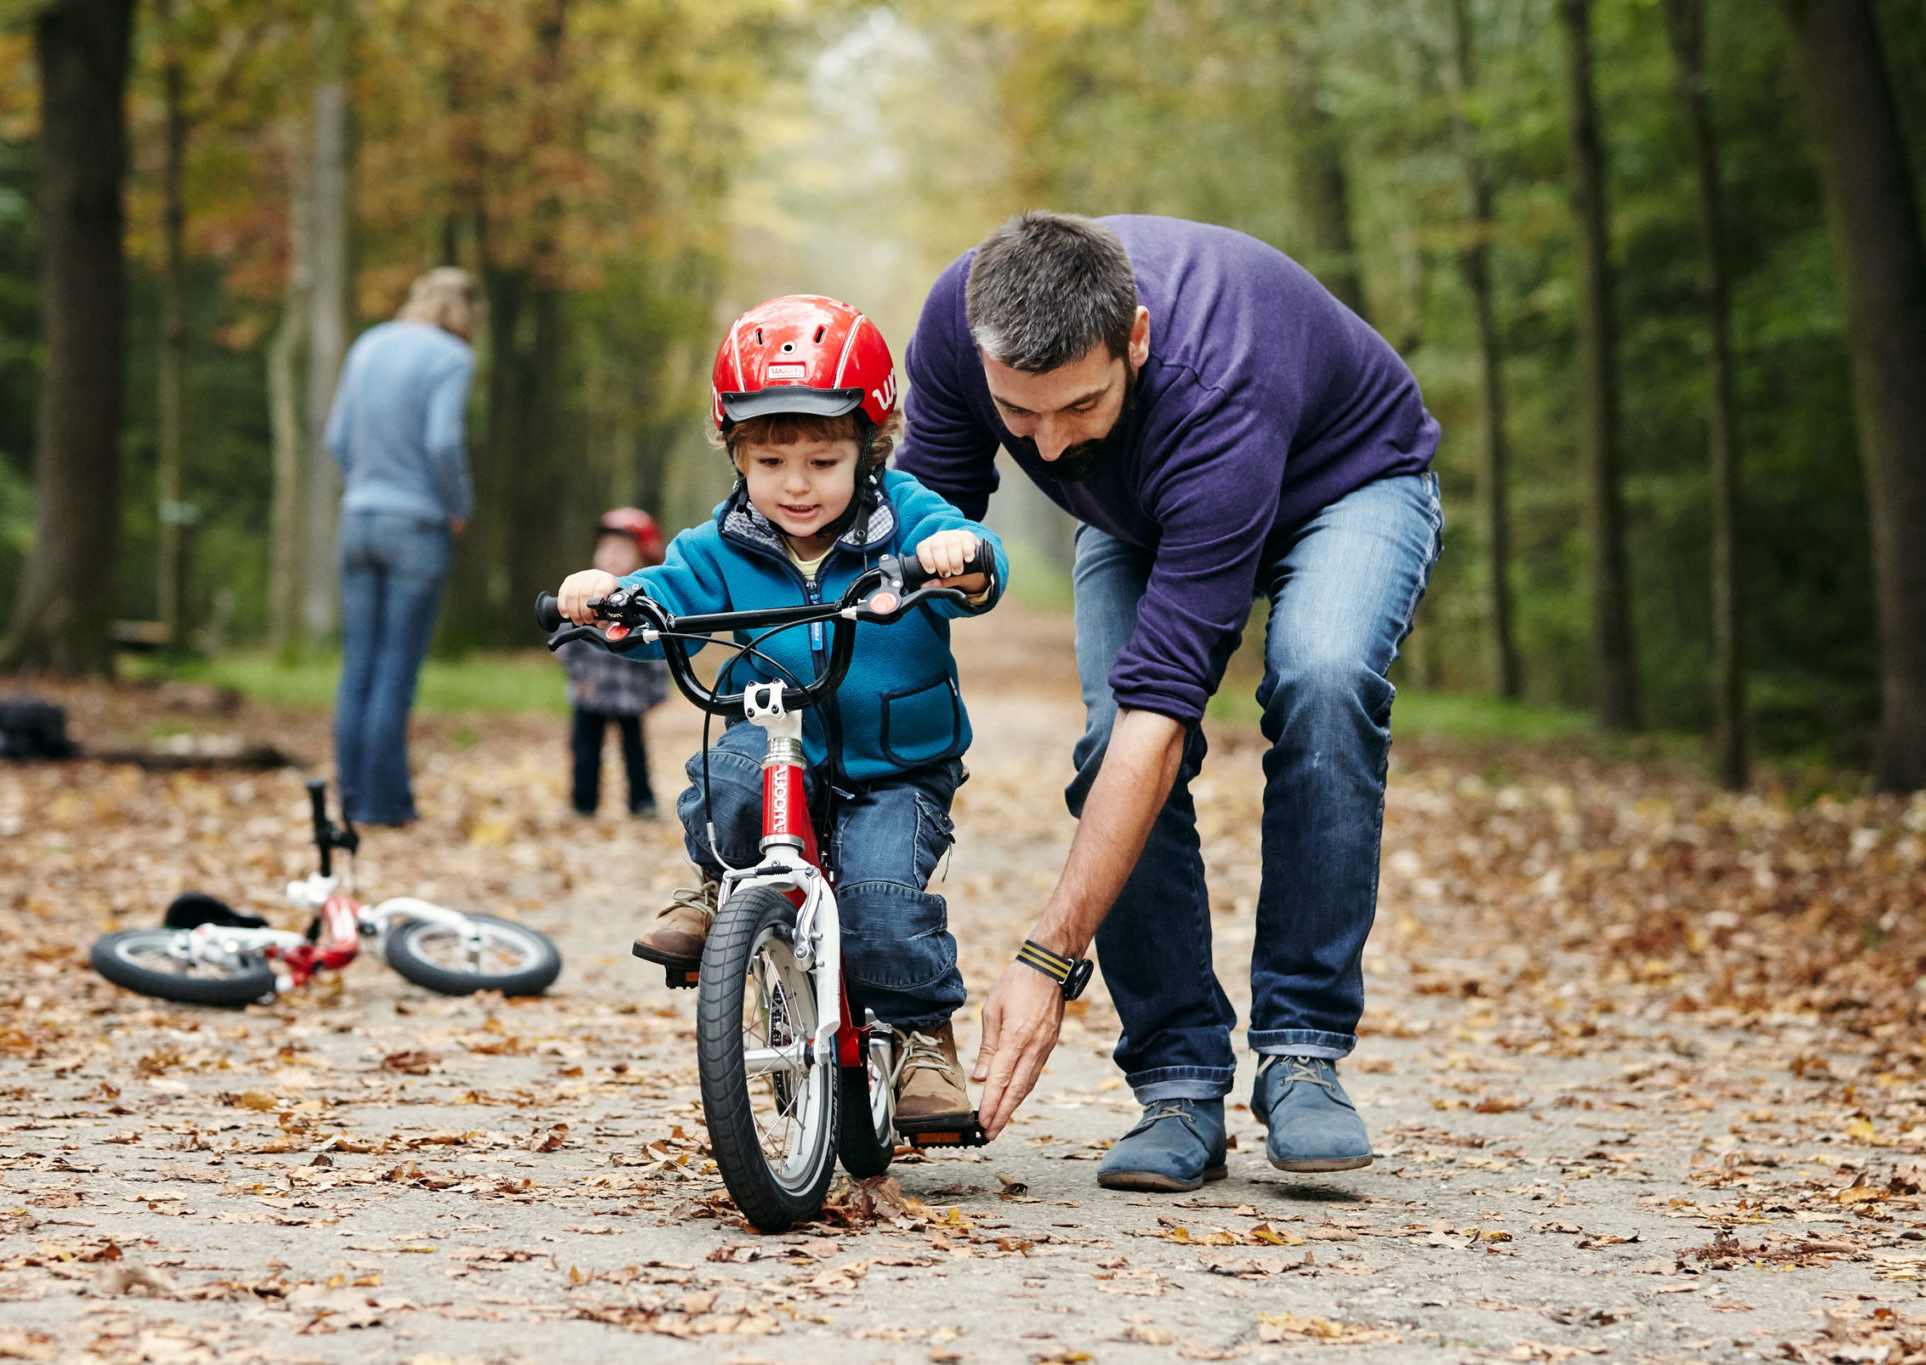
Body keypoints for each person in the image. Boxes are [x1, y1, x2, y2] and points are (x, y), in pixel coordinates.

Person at [893, 212, 1443, 1189]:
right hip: (1144, 511)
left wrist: (1046, 959)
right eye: (1020, 417)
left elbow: (1164, 718)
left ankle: (1302, 1053)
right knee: (1107, 736)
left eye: (1079, 406)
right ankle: (1178, 1082)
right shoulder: (953, 321)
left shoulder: (1214, 387)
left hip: (1345, 483)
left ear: (1134, 340)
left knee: (1318, 679)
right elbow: (915, 528)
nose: (1053, 445)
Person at [553, 295, 1009, 1131]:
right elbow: (662, 597)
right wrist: (611, 600)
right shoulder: (722, 541)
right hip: (775, 743)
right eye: (769, 462)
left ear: (870, 448)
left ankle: (920, 1037)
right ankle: (720, 886)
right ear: (735, 453)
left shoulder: (904, 514)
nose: (795, 486)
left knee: (880, 900)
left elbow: (980, 569)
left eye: (822, 461)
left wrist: (963, 560)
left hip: (891, 767)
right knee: (726, 765)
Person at [324, 267, 483, 827]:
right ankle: (383, 804)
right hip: (415, 526)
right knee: (395, 668)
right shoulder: (451, 357)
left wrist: (365, 486)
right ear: (467, 311)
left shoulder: (369, 344)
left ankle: (352, 799)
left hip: (357, 520)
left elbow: (337, 438)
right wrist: (456, 504)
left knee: (359, 666)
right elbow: (442, 441)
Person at [560, 508, 668, 820]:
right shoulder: (581, 596)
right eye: (604, 549)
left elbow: (659, 646)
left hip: (629, 694)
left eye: (621, 551)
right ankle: (583, 801)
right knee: (585, 749)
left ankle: (641, 800)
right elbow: (565, 640)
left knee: (634, 749)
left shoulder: (644, 602)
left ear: (643, 557)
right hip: (590, 689)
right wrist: (577, 673)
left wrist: (654, 691)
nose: (610, 557)